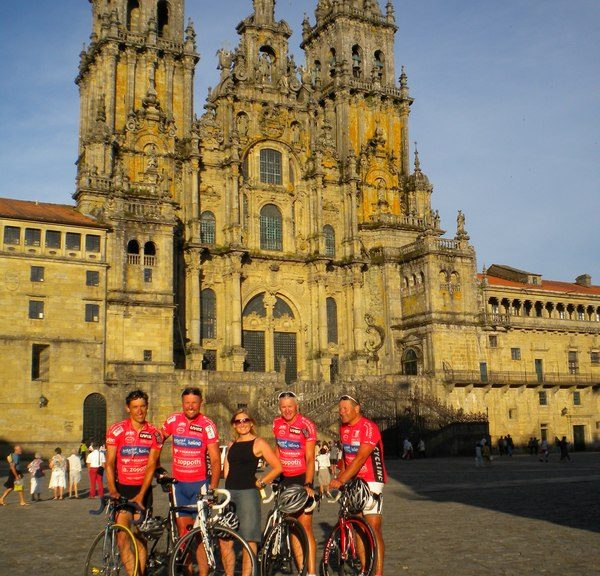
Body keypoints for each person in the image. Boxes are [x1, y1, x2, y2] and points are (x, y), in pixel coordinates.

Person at [105, 389, 163, 576]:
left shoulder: (154, 433)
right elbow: (110, 463)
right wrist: (113, 489)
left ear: (147, 407)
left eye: (143, 406)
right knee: (122, 538)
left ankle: (141, 572)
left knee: (139, 538)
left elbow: (152, 465)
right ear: (128, 409)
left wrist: (141, 494)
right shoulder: (117, 430)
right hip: (122, 489)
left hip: (144, 491)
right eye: (135, 407)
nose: (139, 411)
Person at [330, 394, 387, 576]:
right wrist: (341, 477)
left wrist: (341, 480)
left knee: (373, 526)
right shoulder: (343, 429)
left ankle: (377, 572)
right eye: (340, 409)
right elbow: (347, 458)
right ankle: (364, 568)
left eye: (345, 408)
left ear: (357, 408)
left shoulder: (369, 427)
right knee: (357, 526)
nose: (342, 412)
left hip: (372, 479)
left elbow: (361, 457)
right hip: (353, 480)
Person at [223, 408, 282, 576]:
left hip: (248, 492)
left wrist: (262, 482)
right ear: (234, 425)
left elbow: (277, 467)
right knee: (225, 538)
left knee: (249, 538)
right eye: (238, 421)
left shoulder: (259, 443)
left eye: (245, 420)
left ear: (251, 423)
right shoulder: (232, 444)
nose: (242, 424)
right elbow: (226, 473)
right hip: (229, 493)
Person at [160, 387, 221, 537]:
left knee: (202, 534)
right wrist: (157, 467)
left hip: (200, 485)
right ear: (182, 403)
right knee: (184, 533)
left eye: (194, 402)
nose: (190, 406)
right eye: (187, 402)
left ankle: (204, 561)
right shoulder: (173, 420)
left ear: (201, 403)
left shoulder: (207, 425)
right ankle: (181, 561)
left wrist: (212, 488)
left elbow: (215, 459)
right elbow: (156, 441)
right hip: (179, 486)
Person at [273, 391, 318, 576]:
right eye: (283, 407)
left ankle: (312, 572)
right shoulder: (276, 423)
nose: (287, 410)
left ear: (296, 406)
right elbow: (277, 449)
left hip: (301, 477)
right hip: (285, 479)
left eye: (290, 406)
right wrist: (276, 475)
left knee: (305, 526)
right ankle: (301, 569)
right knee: (291, 526)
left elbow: (309, 458)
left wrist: (308, 484)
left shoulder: (306, 425)